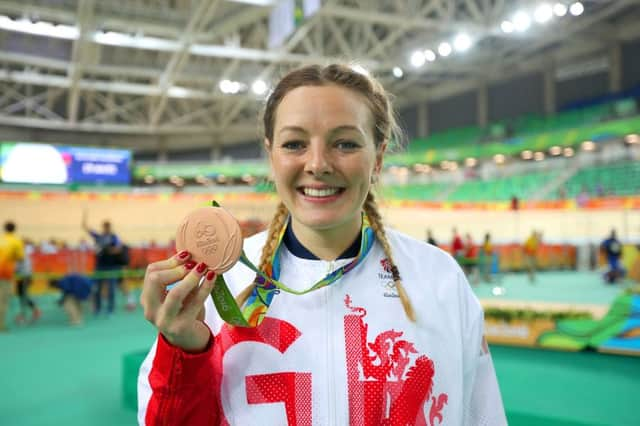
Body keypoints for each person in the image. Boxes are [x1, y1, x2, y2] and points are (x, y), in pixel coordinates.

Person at [137, 64, 506, 425]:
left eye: (345, 143)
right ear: (272, 156)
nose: (317, 163)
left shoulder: (438, 279)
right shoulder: (218, 284)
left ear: (377, 157)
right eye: (294, 144)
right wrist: (184, 353)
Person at [82, 213, 123, 314]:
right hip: (100, 266)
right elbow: (86, 228)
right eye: (105, 226)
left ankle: (110, 309)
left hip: (111, 267)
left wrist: (108, 249)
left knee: (111, 289)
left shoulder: (114, 237)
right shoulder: (99, 236)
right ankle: (97, 308)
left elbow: (118, 249)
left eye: (108, 226)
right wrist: (85, 216)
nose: (106, 228)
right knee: (97, 288)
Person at [0, 221, 25, 332]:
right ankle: (1, 324)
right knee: (3, 300)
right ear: (14, 229)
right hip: (5, 273)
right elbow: (20, 257)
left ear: (4, 229)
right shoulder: (16, 241)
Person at [15, 238, 41, 324]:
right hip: (22, 277)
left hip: (24, 277)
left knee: (23, 295)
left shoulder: (21, 254)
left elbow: (17, 267)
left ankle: (26, 314)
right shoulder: (21, 253)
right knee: (22, 295)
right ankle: (33, 311)